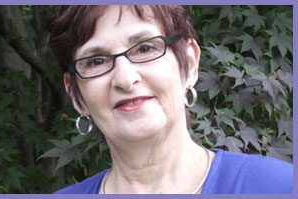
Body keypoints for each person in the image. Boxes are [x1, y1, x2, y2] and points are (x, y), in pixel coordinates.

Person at [47, 5, 292, 194]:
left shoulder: (280, 187)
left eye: (145, 48)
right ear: (76, 94)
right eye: (96, 61)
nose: (125, 78)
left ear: (190, 63)